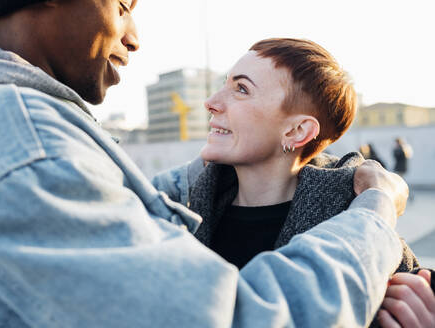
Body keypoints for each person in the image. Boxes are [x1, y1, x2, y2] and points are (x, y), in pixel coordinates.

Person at [0, 1, 410, 327]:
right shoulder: (32, 149)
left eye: (241, 89)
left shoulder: (8, 127)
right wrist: (376, 212)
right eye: (123, 4)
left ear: (297, 132)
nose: (135, 37)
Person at [152, 38, 431, 326]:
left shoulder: (349, 222)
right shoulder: (180, 211)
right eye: (225, 84)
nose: (210, 103)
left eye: (241, 89)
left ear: (297, 131)